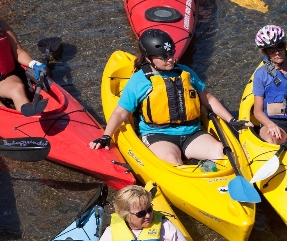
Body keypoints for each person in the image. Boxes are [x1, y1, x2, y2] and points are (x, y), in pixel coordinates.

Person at [90, 28, 249, 166]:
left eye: (171, 53)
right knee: (172, 161)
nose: (171, 59)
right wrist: (106, 136)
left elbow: (208, 99)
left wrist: (232, 121)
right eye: (163, 56)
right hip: (158, 136)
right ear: (148, 58)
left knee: (221, 154)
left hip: (192, 133)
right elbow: (120, 112)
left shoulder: (185, 73)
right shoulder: (140, 80)